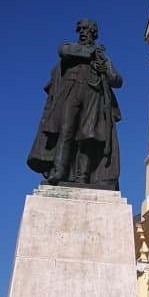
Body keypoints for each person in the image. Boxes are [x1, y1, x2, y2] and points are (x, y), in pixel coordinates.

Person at [27, 18, 123, 189]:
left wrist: (105, 72)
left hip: (93, 93)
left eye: (88, 30)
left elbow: (117, 80)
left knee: (88, 135)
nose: (85, 33)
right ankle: (59, 171)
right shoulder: (70, 48)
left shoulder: (102, 56)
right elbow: (63, 51)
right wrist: (91, 52)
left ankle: (82, 177)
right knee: (66, 130)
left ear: (94, 33)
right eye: (82, 30)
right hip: (70, 92)